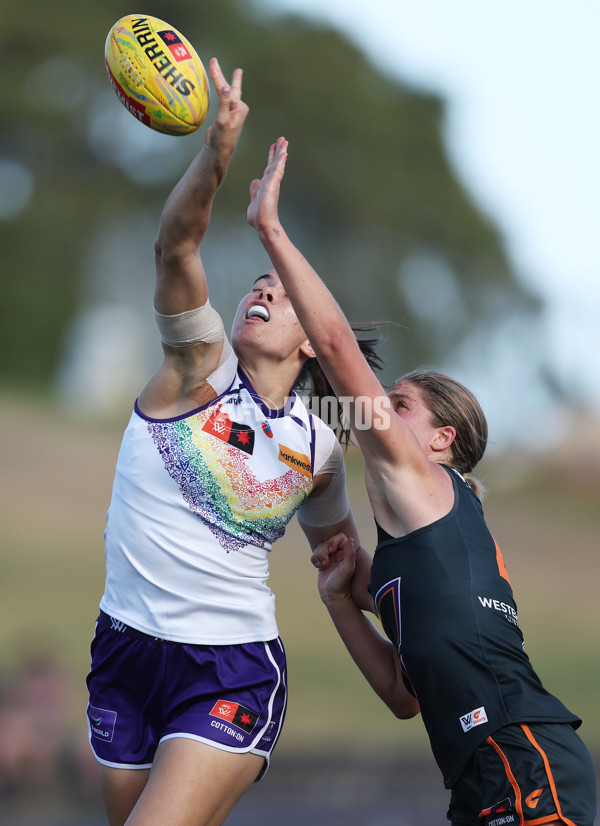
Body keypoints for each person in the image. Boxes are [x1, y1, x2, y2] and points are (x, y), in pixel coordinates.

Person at [246, 136, 598, 826]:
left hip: (521, 753)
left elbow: (342, 356)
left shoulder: (428, 480)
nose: (381, 410)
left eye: (399, 404)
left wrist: (271, 231)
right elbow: (406, 693)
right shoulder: (419, 546)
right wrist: (345, 600)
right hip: (479, 774)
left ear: (444, 441)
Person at [85, 61, 375, 826]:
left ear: (315, 343)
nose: (263, 291)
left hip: (232, 670)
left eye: (281, 295)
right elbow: (175, 250)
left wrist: (434, 610)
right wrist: (217, 150)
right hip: (124, 653)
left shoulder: (318, 448)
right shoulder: (196, 371)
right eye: (258, 284)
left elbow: (344, 563)